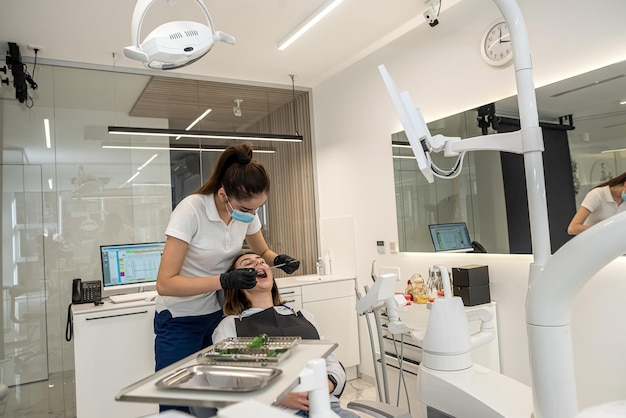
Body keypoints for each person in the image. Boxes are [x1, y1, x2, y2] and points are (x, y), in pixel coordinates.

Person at [154, 143, 300, 413]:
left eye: (258, 208)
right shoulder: (191, 211)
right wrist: (223, 280)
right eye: (247, 208)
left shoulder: (244, 214)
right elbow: (165, 283)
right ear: (223, 194)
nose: (252, 215)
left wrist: (278, 259)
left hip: (215, 313)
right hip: (178, 318)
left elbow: (262, 250)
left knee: (215, 395)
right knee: (178, 398)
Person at [212, 251, 359, 418]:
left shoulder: (303, 315)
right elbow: (224, 383)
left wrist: (327, 384)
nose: (258, 264)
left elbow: (330, 361)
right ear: (236, 282)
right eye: (247, 264)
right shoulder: (230, 325)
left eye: (261, 262)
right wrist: (276, 396)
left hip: (326, 408)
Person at [568, 171, 626, 235]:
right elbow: (572, 228)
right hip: (591, 242)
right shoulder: (597, 195)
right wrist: (603, 231)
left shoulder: (624, 201)